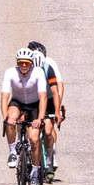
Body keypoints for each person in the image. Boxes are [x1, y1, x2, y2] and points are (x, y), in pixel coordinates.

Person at [1, 48, 49, 168]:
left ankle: (35, 172)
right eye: (21, 62)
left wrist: (40, 118)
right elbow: (4, 97)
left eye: (26, 63)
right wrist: (6, 117)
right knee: (10, 119)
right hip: (18, 102)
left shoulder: (38, 73)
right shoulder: (10, 73)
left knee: (34, 140)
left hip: (34, 105)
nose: (23, 65)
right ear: (17, 63)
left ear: (31, 63)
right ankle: (12, 151)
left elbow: (43, 97)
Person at [26, 44, 64, 177]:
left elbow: (56, 90)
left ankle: (49, 161)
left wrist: (58, 110)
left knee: (48, 130)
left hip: (47, 100)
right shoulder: (25, 68)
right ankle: (25, 147)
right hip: (31, 100)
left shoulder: (49, 66)